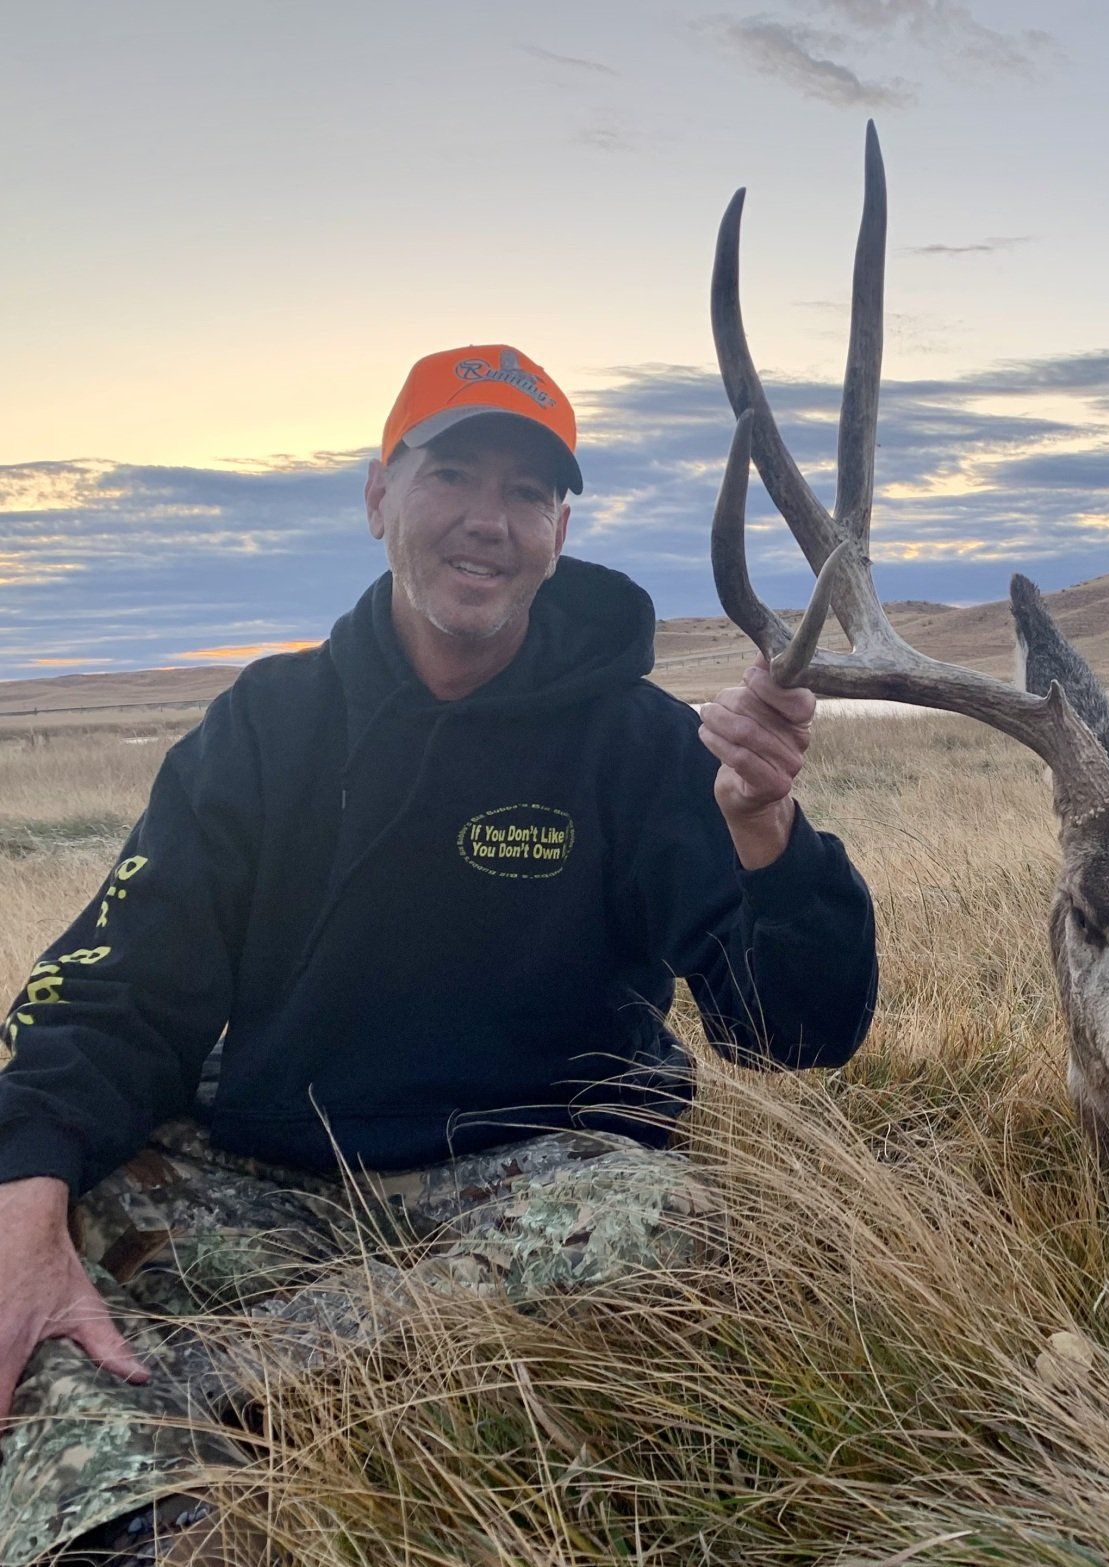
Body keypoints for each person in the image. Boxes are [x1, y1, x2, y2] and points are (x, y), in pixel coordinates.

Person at [0, 345, 879, 1563]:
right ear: (379, 497)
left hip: (537, 1192)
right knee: (29, 1234)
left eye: (527, 492)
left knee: (665, 1220)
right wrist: (27, 1190)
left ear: (560, 531)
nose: (487, 519)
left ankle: (196, 1390)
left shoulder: (641, 744)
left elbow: (798, 1033)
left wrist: (766, 837)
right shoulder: (266, 722)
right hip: (269, 1180)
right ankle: (149, 1532)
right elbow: (116, 983)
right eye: (452, 474)